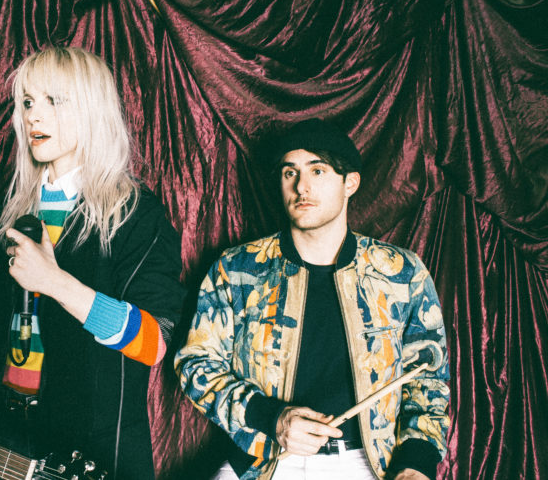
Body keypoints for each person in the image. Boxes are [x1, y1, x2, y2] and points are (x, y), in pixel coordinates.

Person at [0, 46, 184, 480]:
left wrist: (55, 283)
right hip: (0, 439)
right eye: (27, 102)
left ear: (93, 109)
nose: (34, 117)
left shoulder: (136, 214)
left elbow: (153, 344)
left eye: (53, 101)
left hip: (90, 455)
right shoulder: (8, 211)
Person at [174, 119, 450, 480]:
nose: (301, 186)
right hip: (263, 459)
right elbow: (196, 364)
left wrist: (416, 462)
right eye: (290, 172)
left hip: (364, 464)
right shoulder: (238, 268)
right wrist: (272, 418)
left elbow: (427, 377)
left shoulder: (401, 273)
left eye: (317, 170)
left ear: (350, 182)